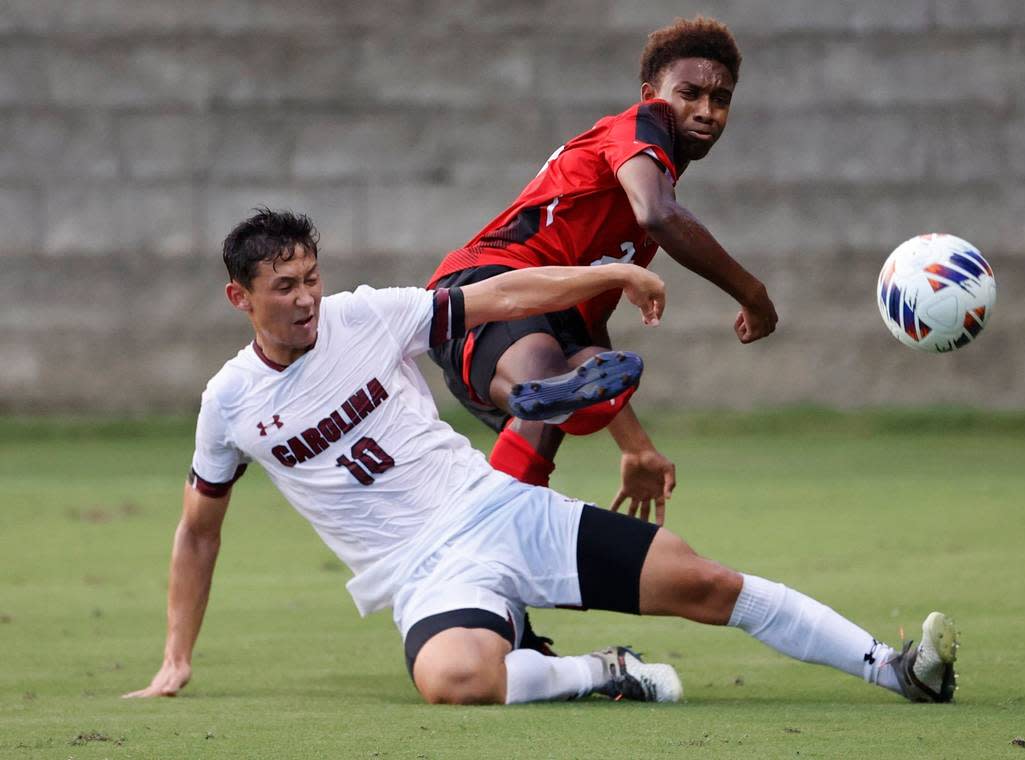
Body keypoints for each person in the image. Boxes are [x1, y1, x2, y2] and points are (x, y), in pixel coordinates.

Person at [125, 210, 959, 706]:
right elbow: (199, 532)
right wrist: (177, 656)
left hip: (500, 510)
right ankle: (602, 674)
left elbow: (501, 294)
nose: (306, 298)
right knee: (454, 681)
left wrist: (603, 274)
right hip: (422, 576)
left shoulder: (366, 315)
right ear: (241, 298)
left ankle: (896, 671)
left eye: (310, 277)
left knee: (706, 585)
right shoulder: (229, 404)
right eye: (284, 287)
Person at [426, 16, 776, 525]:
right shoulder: (639, 128)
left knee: (582, 367)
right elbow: (660, 217)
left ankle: (495, 560)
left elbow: (586, 327)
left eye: (720, 100)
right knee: (551, 363)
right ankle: (540, 391)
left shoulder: (640, 194)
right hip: (484, 284)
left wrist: (636, 447)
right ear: (652, 93)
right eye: (690, 93)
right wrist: (753, 293)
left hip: (544, 315)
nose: (706, 111)